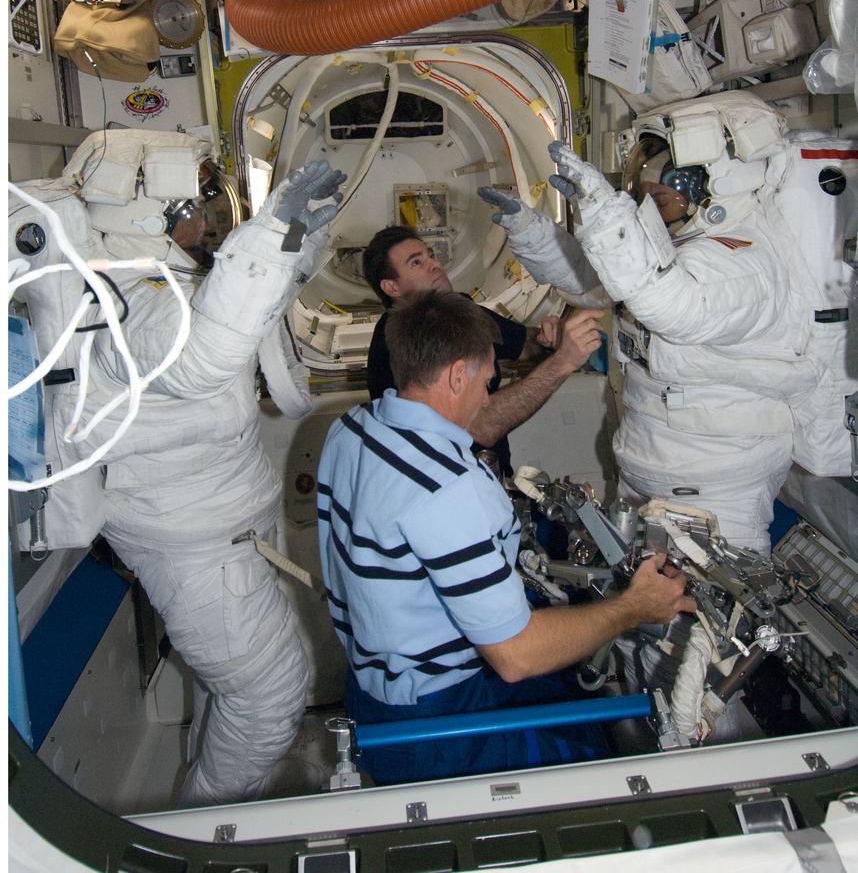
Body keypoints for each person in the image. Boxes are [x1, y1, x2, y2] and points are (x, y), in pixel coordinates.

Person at [9, 129, 346, 807]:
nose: (207, 216)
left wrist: (297, 239)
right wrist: (268, 235)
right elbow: (205, 356)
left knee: (271, 682)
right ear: (144, 212)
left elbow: (242, 311)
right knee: (266, 699)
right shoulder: (127, 307)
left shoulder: (155, 281)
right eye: (192, 202)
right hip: (196, 549)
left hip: (221, 530)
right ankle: (203, 831)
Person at [317, 290, 694, 784]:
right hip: (435, 726)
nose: (489, 389)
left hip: (371, 683)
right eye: (488, 373)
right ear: (457, 375)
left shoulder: (351, 429)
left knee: (570, 693)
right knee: (599, 770)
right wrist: (634, 607)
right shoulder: (450, 488)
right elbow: (517, 656)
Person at [480, 89, 857, 555]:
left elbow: (674, 305)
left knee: (701, 622)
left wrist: (603, 214)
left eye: (663, 195)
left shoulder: (746, 260)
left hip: (715, 488)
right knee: (635, 608)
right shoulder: (679, 250)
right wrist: (532, 233)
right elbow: (597, 286)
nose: (652, 204)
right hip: (649, 466)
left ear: (718, 183)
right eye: (649, 194)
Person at [362, 225, 603, 474]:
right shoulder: (399, 341)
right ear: (391, 287)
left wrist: (551, 337)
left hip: (490, 471)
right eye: (416, 263)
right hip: (443, 481)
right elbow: (481, 426)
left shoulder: (458, 309)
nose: (435, 265)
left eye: (431, 255)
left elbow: (525, 344)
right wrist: (563, 361)